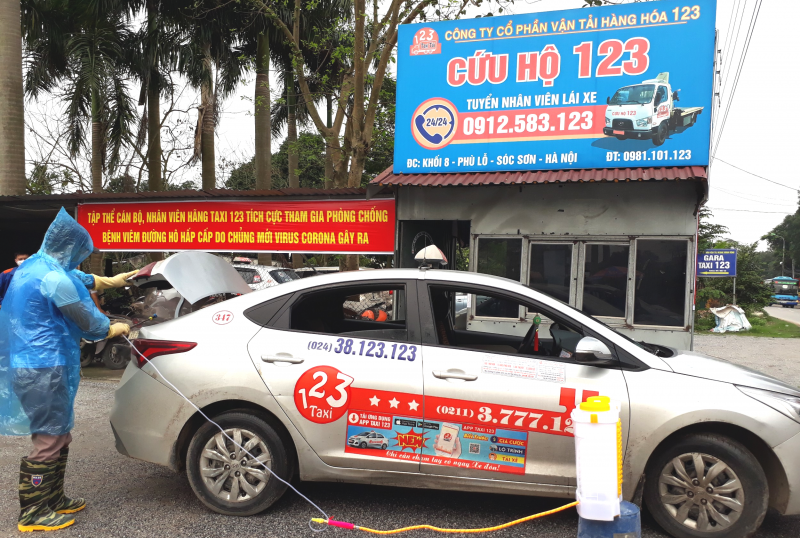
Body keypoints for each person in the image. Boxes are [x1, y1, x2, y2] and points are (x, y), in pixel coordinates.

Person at [0, 208, 135, 532]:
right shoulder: (54, 278)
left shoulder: (36, 266)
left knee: (61, 434)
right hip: (43, 366)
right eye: (79, 253)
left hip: (40, 364)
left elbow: (82, 279)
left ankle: (53, 498)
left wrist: (117, 279)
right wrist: (112, 327)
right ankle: (33, 512)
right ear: (70, 248)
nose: (79, 259)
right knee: (48, 438)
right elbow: (89, 322)